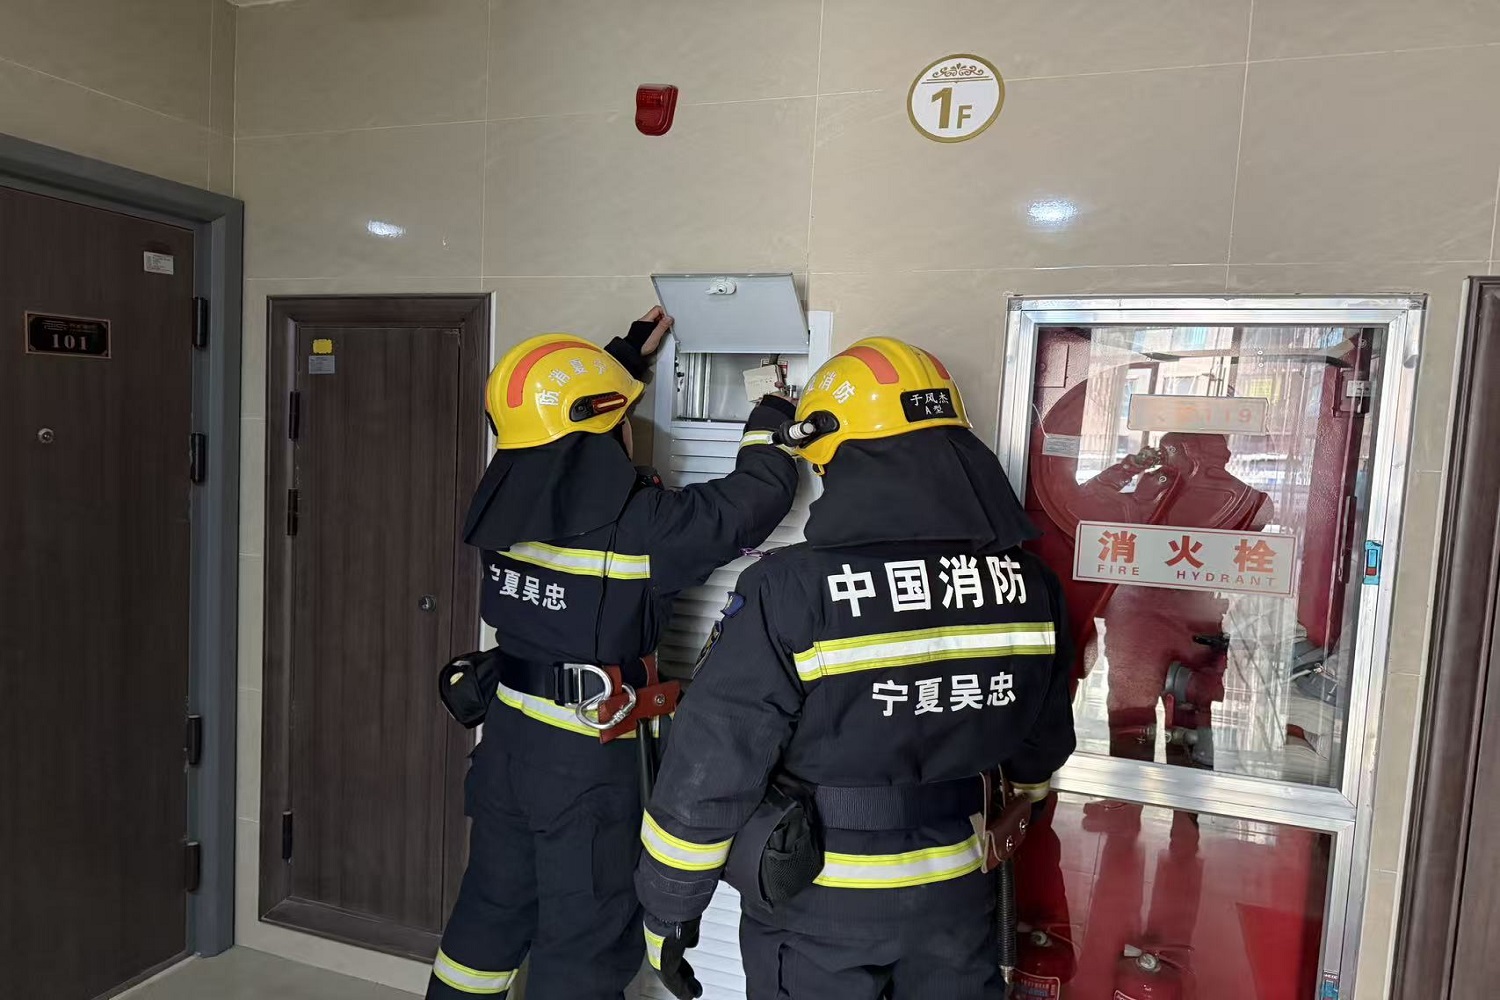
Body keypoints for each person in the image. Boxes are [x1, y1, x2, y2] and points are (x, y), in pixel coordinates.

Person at [634, 337, 1077, 1000]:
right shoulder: (1032, 587)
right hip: (957, 896)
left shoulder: (791, 590)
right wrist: (1026, 800)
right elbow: (1039, 755)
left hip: (817, 902)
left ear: (838, 458)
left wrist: (669, 909)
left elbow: (712, 764)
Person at [428, 307, 799, 1000]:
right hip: (587, 767)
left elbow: (557, 423)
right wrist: (772, 420)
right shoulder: (639, 528)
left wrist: (621, 361)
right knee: (584, 947)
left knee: (487, 918)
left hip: (505, 746)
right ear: (606, 431)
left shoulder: (503, 503)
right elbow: (748, 503)